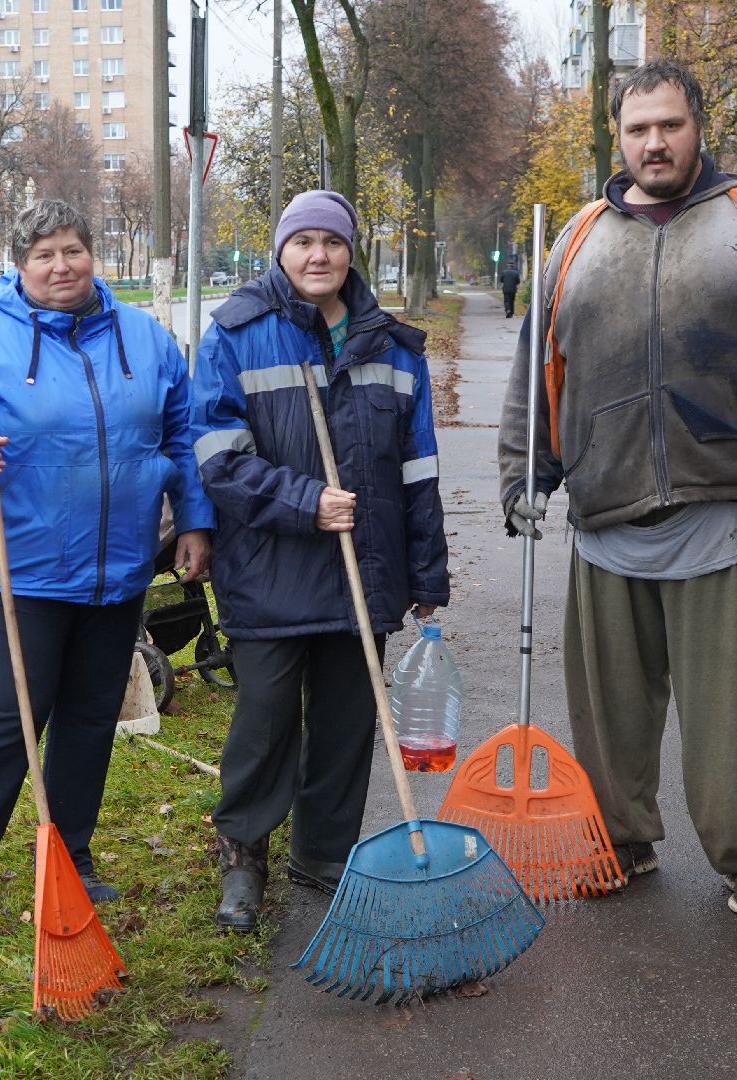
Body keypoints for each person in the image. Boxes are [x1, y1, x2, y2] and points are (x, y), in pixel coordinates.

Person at [498, 60, 737, 918]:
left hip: (727, 507)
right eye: (637, 129)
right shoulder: (578, 239)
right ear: (617, 140)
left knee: (732, 710)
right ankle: (621, 841)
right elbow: (535, 370)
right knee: (610, 711)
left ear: (698, 127)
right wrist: (524, 472)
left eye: (670, 125)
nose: (654, 142)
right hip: (606, 503)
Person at [0, 199, 214, 923]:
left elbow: (183, 433)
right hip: (21, 568)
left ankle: (70, 854)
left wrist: (195, 520)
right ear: (20, 265)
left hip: (119, 566)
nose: (61, 266)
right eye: (43, 254)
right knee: (13, 716)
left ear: (92, 255)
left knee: (86, 713)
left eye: (72, 250)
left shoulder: (144, 337)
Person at [189, 189, 450, 932]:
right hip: (271, 567)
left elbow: (418, 468)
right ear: (280, 251)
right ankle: (243, 852)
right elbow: (217, 456)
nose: (317, 255)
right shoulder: (238, 334)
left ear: (350, 252)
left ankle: (324, 849)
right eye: (302, 241)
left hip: (365, 570)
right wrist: (304, 502)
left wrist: (426, 575)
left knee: (346, 718)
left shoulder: (393, 346)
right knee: (266, 714)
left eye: (331, 242)